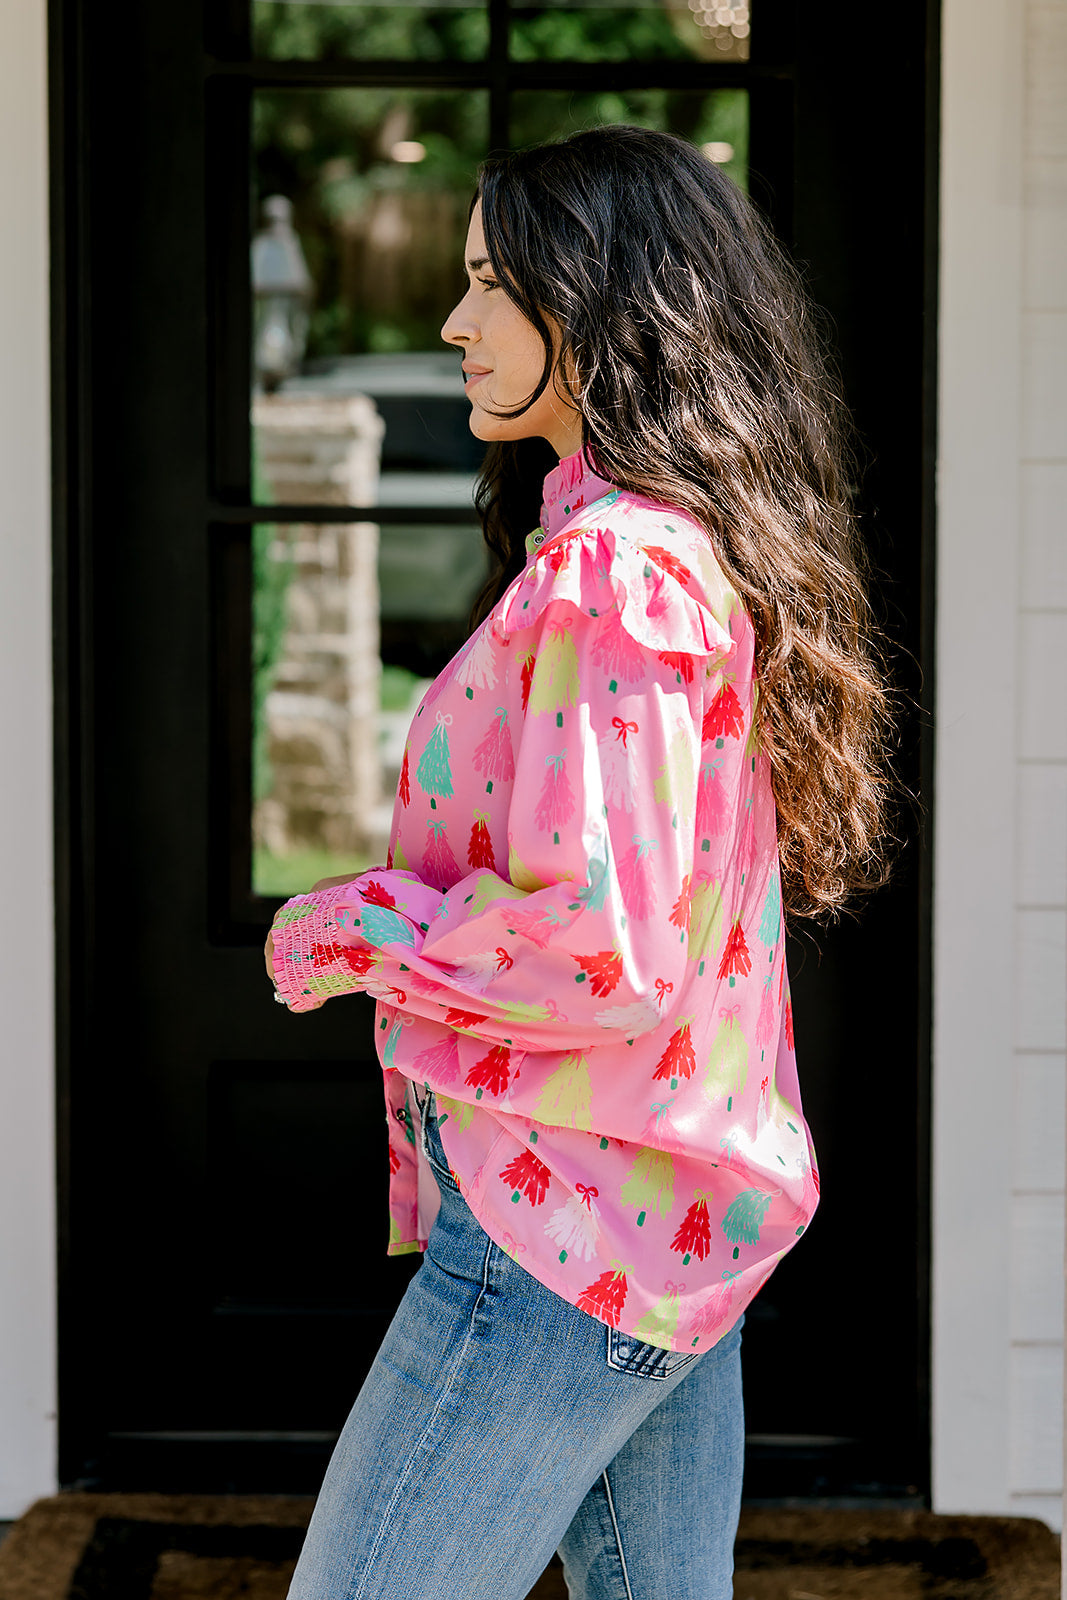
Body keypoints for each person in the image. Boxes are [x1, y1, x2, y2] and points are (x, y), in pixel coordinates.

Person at [266, 124, 893, 1600]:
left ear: (599, 299)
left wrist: (352, 926)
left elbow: (599, 944)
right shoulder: (662, 547)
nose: (452, 324)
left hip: (562, 1229)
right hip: (661, 1220)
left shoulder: (621, 569)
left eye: (493, 283)